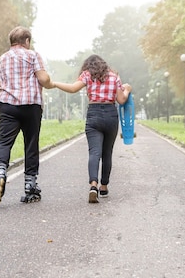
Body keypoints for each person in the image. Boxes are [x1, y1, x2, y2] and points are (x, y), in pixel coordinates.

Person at [51, 54, 132, 203]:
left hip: (93, 114)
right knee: (107, 153)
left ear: (89, 65)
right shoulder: (114, 76)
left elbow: (73, 88)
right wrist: (127, 89)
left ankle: (93, 185)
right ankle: (104, 187)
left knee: (94, 152)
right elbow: (121, 100)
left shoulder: (87, 75)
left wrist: (55, 83)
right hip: (110, 115)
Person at [0, 26, 53, 204]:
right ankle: (30, 186)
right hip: (30, 105)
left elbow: (0, 83)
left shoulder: (2, 58)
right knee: (31, 144)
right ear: (26, 41)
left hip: (7, 105)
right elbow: (42, 79)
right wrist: (49, 82)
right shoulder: (32, 55)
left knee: (4, 141)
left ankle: (1, 170)